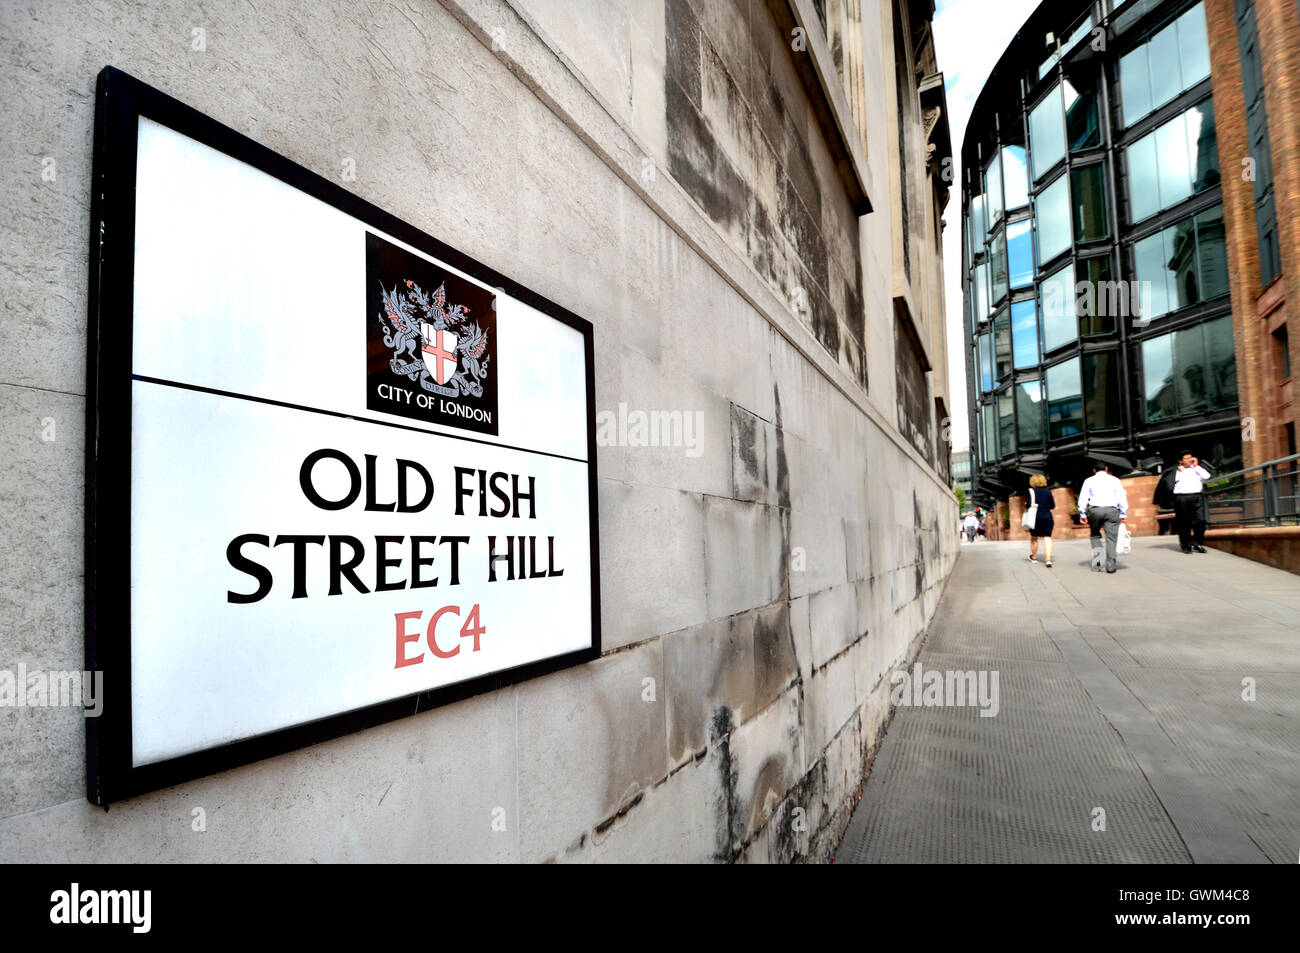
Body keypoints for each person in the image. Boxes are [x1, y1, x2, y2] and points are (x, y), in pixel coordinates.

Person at [1154, 451, 1213, 554]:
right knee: (1183, 522)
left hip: (1197, 496)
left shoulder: (1196, 469)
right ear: (1180, 461)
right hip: (1181, 498)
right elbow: (1166, 484)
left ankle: (1197, 542)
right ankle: (1186, 545)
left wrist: (1196, 465)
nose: (1189, 460)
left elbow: (1207, 476)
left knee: (1201, 521)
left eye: (1190, 457)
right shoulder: (1175, 471)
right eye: (1186, 458)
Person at [1078, 460, 1128, 573]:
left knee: (1095, 535)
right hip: (1112, 510)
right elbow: (1121, 496)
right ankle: (1111, 566)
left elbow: (1083, 498)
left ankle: (1098, 563)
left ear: (1094, 470)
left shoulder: (1088, 481)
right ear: (1106, 469)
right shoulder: (1115, 480)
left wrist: (1082, 513)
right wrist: (1123, 513)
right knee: (1111, 538)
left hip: (1095, 510)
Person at [1025, 474, 1056, 567]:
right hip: (1047, 516)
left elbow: (1028, 505)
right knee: (1047, 537)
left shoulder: (1031, 491)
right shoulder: (1048, 491)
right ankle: (1048, 560)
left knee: (1034, 537)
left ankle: (1034, 557)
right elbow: (1052, 506)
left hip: (1035, 518)